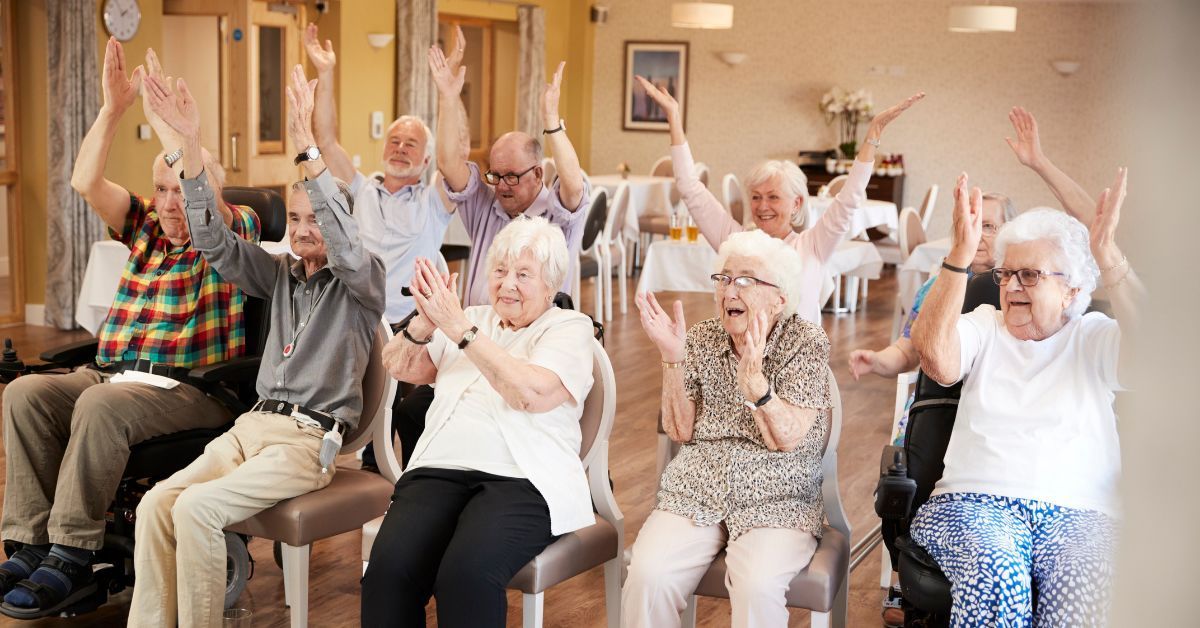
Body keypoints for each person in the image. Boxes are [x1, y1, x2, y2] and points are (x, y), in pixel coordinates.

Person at [0, 40, 259, 618]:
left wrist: (178, 132)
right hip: (115, 376)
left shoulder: (232, 231)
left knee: (98, 409)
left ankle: (70, 553)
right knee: (24, 393)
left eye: (180, 190)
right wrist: (113, 109)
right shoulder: (142, 227)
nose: (171, 203)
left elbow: (204, 202)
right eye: (161, 190)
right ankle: (30, 542)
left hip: (193, 389)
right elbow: (85, 180)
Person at [126, 65, 385, 627]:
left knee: (196, 509)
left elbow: (343, 245)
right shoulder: (281, 275)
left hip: (306, 441)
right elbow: (214, 243)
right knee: (154, 506)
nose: (304, 229)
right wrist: (190, 146)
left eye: (316, 217)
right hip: (251, 428)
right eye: (295, 219)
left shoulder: (364, 281)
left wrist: (306, 150)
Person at [908, 171, 1140, 626]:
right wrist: (958, 257)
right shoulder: (983, 324)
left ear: (1072, 289)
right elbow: (936, 360)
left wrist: (1108, 255)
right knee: (996, 571)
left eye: (1029, 275)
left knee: (1085, 576)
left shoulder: (1094, 336)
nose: (1012, 286)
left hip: (1084, 513)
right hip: (972, 504)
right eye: (1006, 274)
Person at [361, 217, 596, 627]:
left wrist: (461, 330)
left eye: (524, 275)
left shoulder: (568, 328)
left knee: (465, 576)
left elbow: (530, 393)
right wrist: (425, 322)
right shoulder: (471, 316)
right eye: (500, 271)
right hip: (439, 469)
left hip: (524, 478)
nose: (507, 284)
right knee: (388, 572)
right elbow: (397, 366)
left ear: (550, 285)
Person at [623, 230, 833, 627]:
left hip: (778, 497)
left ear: (780, 298)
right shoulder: (702, 337)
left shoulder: (804, 341)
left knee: (757, 587)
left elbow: (788, 438)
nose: (729, 290)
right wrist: (672, 358)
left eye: (746, 280)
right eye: (723, 279)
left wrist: (755, 385)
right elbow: (679, 430)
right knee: (648, 577)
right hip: (697, 489)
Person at [634, 76, 923, 323]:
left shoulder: (813, 245)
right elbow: (690, 188)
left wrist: (872, 135)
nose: (762, 206)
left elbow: (849, 199)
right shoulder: (735, 240)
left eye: (773, 197)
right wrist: (673, 116)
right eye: (756, 197)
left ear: (796, 203)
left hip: (797, 368)